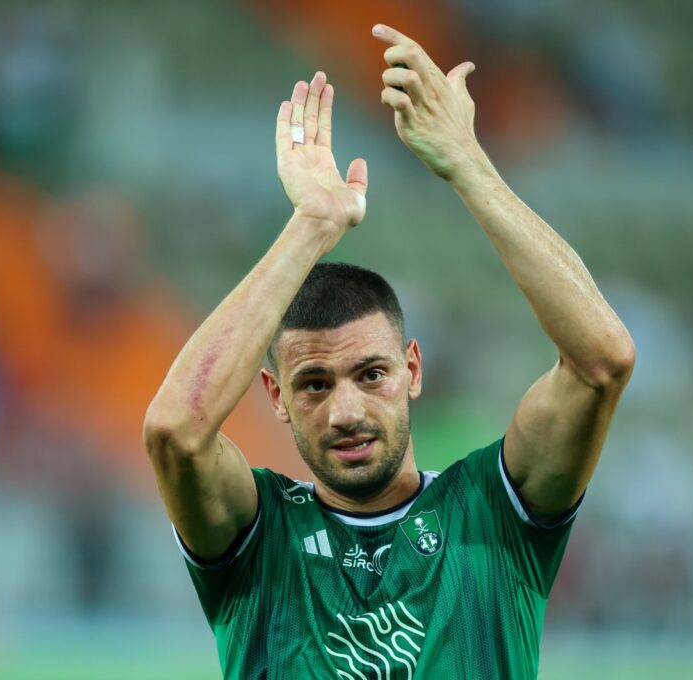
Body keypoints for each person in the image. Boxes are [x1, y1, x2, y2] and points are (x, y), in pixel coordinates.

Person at [143, 23, 635, 679]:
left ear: (411, 370)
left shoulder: (491, 511)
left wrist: (469, 166)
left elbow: (603, 361)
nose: (345, 410)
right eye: (314, 384)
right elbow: (176, 432)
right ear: (276, 397)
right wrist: (312, 225)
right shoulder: (257, 536)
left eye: (370, 374)